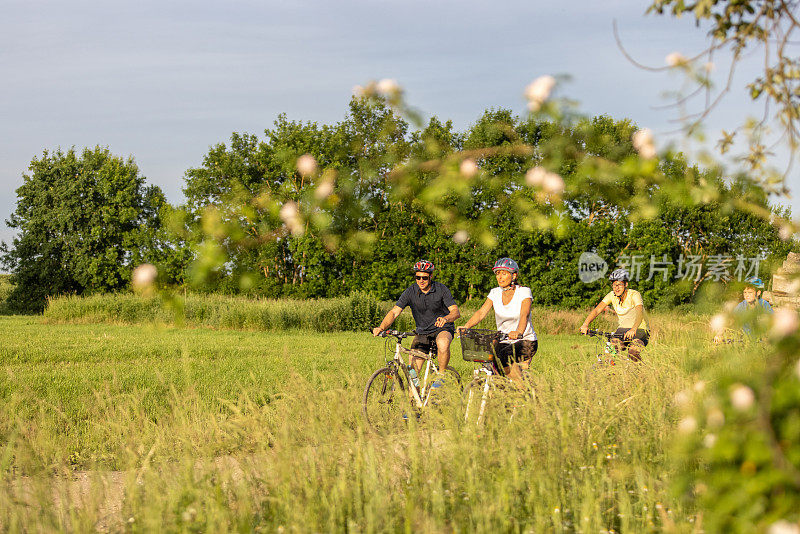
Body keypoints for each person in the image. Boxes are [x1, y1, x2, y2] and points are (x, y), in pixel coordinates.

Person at [372, 260, 461, 376]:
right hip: (422, 332)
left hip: (443, 328)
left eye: (424, 278)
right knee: (412, 372)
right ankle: (414, 393)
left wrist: (446, 319)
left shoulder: (441, 289)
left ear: (431, 276)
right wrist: (381, 327)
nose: (421, 281)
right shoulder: (410, 291)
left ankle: (441, 377)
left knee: (443, 343)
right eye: (418, 277)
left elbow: (455, 312)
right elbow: (394, 312)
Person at [458, 258, 537, 382]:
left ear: (514, 275)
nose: (500, 277)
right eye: (497, 273)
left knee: (503, 358)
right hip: (504, 340)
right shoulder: (494, 293)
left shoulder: (524, 292)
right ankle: (499, 392)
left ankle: (522, 390)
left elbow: (524, 314)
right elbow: (481, 313)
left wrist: (518, 332)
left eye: (504, 273)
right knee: (491, 363)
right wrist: (466, 326)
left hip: (525, 340)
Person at [580, 268, 649, 361]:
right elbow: (597, 310)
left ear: (626, 284)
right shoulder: (611, 295)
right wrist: (585, 324)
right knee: (610, 352)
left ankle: (641, 371)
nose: (616, 288)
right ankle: (609, 372)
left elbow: (639, 313)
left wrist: (633, 329)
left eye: (619, 284)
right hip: (622, 330)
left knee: (633, 352)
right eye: (614, 285)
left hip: (640, 329)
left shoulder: (634, 294)